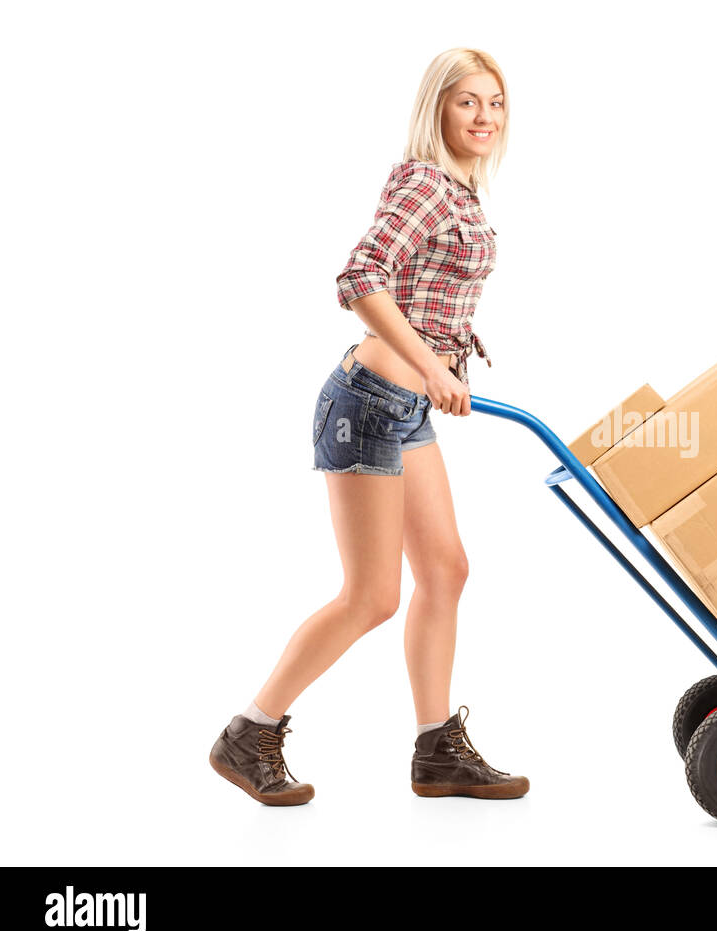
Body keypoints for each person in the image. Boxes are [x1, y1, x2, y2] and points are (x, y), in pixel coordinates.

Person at [209, 48, 527, 806]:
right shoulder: (424, 182)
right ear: (437, 109)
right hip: (368, 406)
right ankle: (249, 731)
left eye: (496, 103)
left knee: (446, 571)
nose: (484, 117)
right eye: (467, 103)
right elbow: (359, 277)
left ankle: (437, 750)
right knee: (371, 596)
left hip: (404, 406)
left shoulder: (461, 191)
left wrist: (444, 370)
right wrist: (431, 366)